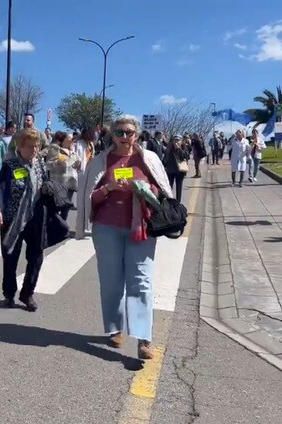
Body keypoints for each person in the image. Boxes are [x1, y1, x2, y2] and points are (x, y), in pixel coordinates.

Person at [75, 115, 174, 360]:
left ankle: (143, 339)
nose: (123, 137)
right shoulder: (100, 161)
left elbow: (161, 192)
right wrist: (108, 188)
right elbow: (90, 197)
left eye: (128, 132)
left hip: (141, 228)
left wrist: (143, 189)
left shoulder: (149, 159)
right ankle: (114, 328)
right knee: (111, 282)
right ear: (112, 135)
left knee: (141, 282)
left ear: (136, 135)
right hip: (106, 228)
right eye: (118, 132)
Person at [0, 128, 48, 312]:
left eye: (37, 146)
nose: (35, 150)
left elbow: (45, 186)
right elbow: (0, 188)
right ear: (21, 147)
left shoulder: (40, 164)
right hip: (13, 218)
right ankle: (9, 294)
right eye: (31, 146)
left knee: (36, 257)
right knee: (10, 257)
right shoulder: (10, 165)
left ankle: (27, 293)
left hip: (36, 217)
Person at [163, 135, 188, 202]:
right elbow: (166, 157)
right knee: (169, 187)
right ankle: (169, 201)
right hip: (170, 170)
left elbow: (185, 157)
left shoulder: (183, 147)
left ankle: (178, 202)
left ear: (181, 141)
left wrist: (179, 149)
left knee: (179, 187)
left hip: (180, 170)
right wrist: (164, 166)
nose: (176, 141)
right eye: (175, 140)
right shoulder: (169, 147)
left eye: (178, 140)